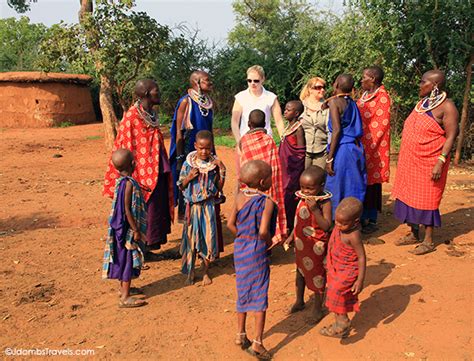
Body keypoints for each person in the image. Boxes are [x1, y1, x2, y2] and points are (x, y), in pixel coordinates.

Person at [391, 70, 459, 255]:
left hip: (430, 160)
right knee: (408, 196)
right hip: (411, 161)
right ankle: (414, 233)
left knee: (428, 198)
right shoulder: (423, 103)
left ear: (434, 86)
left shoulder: (447, 107)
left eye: (423, 82)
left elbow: (451, 135)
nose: (420, 85)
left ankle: (428, 241)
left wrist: (441, 160)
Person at [103, 79, 173, 253]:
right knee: (145, 209)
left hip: (157, 167)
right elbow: (124, 146)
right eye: (157, 90)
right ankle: (142, 249)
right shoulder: (132, 117)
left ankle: (150, 246)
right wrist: (134, 174)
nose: (160, 92)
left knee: (157, 208)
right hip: (140, 173)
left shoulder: (150, 114)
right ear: (148, 93)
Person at [169, 71, 224, 254]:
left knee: (209, 187)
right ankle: (191, 241)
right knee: (190, 191)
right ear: (197, 83)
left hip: (207, 151)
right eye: (208, 80)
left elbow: (209, 131)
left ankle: (208, 236)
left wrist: (213, 153)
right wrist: (179, 159)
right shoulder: (186, 101)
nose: (211, 83)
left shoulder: (207, 103)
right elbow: (178, 131)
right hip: (190, 153)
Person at [227, 160, 277, 360]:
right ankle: (257, 343)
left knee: (243, 290)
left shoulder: (239, 196)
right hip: (256, 249)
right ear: (263, 181)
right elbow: (264, 230)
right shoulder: (267, 202)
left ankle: (240, 335)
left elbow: (231, 224)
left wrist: (243, 237)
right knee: (259, 295)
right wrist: (268, 242)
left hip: (240, 248)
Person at [177, 130, 226, 285]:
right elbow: (180, 185)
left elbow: (219, 187)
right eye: (201, 148)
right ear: (195, 146)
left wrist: (222, 170)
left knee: (207, 239)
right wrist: (189, 177)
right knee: (190, 240)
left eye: (207, 148)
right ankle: (190, 272)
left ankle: (205, 272)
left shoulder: (214, 165)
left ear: (211, 147)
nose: (204, 151)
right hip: (192, 208)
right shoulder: (188, 164)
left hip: (208, 207)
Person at [284, 166, 332, 323]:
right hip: (301, 244)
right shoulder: (302, 198)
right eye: (303, 187)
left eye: (310, 188)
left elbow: (326, 226)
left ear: (321, 186)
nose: (305, 191)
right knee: (300, 272)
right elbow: (298, 220)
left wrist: (315, 210)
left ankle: (318, 308)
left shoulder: (324, 203)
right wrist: (291, 236)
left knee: (317, 275)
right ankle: (299, 300)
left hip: (316, 246)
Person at [102, 149, 147, 308]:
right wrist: (136, 230)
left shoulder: (120, 182)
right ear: (133, 164)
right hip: (126, 230)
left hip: (118, 228)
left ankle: (124, 290)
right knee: (128, 261)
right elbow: (127, 210)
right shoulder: (128, 184)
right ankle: (125, 297)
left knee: (122, 259)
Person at [320, 197, 366, 338]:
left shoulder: (353, 235)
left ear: (355, 222)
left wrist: (360, 280)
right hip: (336, 266)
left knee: (335, 292)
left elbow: (361, 257)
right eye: (337, 221)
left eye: (343, 223)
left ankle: (342, 322)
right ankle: (340, 323)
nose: (338, 225)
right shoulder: (341, 227)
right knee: (335, 294)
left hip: (348, 270)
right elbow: (334, 242)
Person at [239, 109, 287, 241]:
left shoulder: (244, 140)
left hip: (251, 185)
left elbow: (244, 163)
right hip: (266, 185)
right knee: (267, 215)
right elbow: (275, 167)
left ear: (249, 124)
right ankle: (270, 238)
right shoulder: (269, 140)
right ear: (265, 123)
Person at [324, 74, 367, 218]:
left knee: (336, 187)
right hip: (356, 149)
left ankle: (336, 223)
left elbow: (336, 131)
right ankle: (354, 220)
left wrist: (330, 159)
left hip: (342, 150)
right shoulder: (352, 103)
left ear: (336, 85)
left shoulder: (335, 103)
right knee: (354, 186)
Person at [357, 66, 391, 234]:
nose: (361, 80)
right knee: (362, 181)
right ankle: (361, 216)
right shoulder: (364, 96)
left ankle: (371, 219)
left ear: (373, 79)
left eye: (364, 77)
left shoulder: (382, 97)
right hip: (361, 145)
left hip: (374, 148)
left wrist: (367, 148)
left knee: (372, 184)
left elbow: (381, 125)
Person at [231, 65, 285, 143]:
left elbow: (279, 121)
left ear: (263, 79)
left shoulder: (271, 97)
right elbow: (234, 122)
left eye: (256, 81)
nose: (252, 83)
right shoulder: (240, 97)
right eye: (249, 80)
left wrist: (283, 141)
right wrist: (239, 142)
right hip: (246, 141)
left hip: (266, 141)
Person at [279, 100, 306, 231]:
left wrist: (294, 168)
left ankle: (291, 225)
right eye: (285, 109)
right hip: (284, 168)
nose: (285, 112)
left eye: (288, 110)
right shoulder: (289, 127)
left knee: (289, 195)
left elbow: (301, 152)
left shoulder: (298, 129)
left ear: (296, 113)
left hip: (292, 170)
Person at [299, 77, 330, 168]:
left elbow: (330, 130)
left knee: (319, 179)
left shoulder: (327, 107)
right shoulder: (301, 106)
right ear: (310, 89)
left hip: (322, 151)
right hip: (304, 150)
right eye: (318, 87)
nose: (322, 90)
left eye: (323, 87)